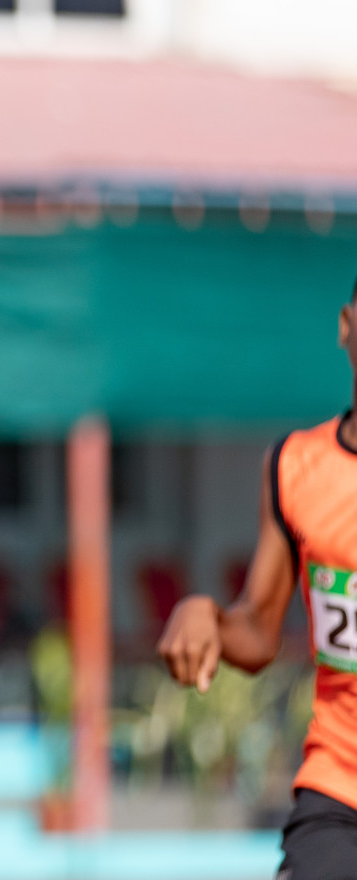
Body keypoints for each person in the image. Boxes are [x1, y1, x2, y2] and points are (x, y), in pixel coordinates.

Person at [158, 279, 357, 880]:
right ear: (347, 327)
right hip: (341, 792)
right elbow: (259, 633)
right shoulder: (296, 468)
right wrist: (209, 618)